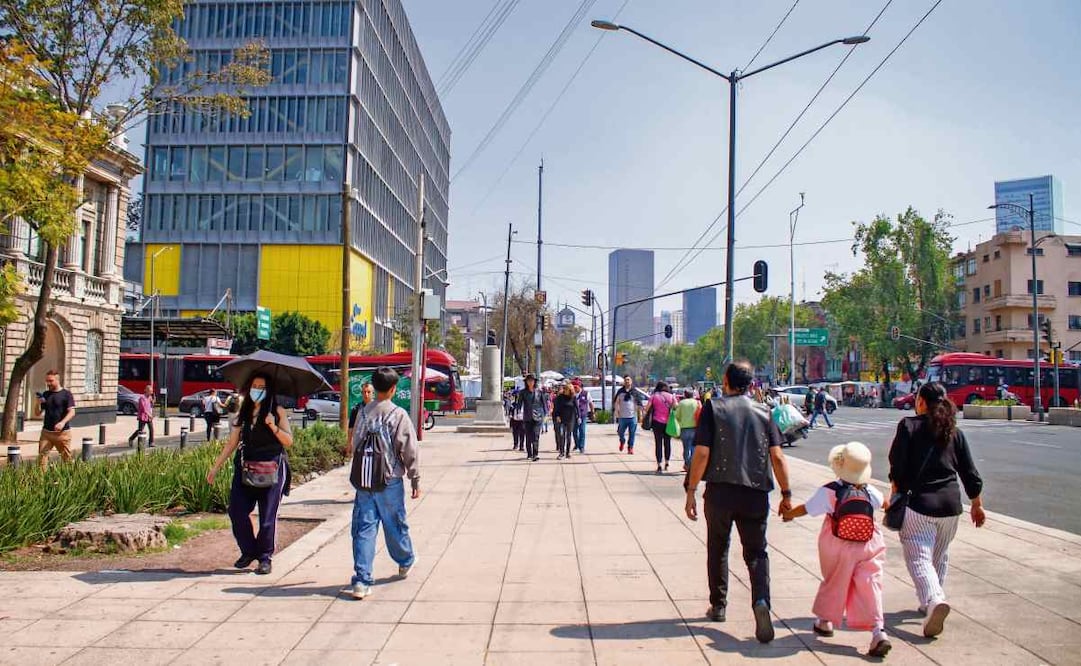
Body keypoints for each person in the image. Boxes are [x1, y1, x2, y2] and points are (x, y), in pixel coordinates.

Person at [684, 360, 793, 644]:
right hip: (755, 492)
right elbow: (778, 457)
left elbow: (702, 453)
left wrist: (691, 489)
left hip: (720, 492)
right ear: (750, 383)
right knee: (757, 552)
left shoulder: (713, 408)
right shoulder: (765, 411)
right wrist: (786, 494)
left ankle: (718, 606)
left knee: (718, 547)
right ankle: (761, 601)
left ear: (726, 381)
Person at [888, 381, 985, 638]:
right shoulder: (954, 431)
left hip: (920, 504)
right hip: (952, 506)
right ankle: (929, 604)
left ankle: (934, 600)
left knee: (919, 558)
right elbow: (969, 473)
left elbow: (897, 466)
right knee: (938, 556)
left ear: (921, 402)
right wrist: (976, 504)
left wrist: (894, 492)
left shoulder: (908, 426)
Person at [783, 442, 891, 658]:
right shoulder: (870, 491)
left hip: (837, 543)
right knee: (871, 583)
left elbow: (806, 509)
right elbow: (885, 504)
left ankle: (825, 621)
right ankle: (878, 631)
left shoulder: (831, 490)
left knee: (835, 580)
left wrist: (788, 514)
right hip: (869, 542)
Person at [342, 367, 421, 599]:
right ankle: (405, 559)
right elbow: (409, 449)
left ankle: (362, 580)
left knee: (364, 529)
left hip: (365, 482)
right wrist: (415, 478)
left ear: (374, 388)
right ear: (394, 389)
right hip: (390, 480)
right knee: (395, 524)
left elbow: (355, 444)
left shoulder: (363, 413)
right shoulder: (398, 415)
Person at [206, 373, 294, 575]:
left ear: (268, 390)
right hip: (245, 468)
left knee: (267, 517)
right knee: (236, 511)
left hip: (271, 469)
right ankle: (248, 550)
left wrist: (273, 425)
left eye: (261, 387)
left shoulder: (277, 411)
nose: (257, 390)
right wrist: (216, 467)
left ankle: (265, 557)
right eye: (254, 386)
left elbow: (289, 441)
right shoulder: (243, 413)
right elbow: (232, 442)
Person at [37, 370, 75, 470]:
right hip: (47, 433)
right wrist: (38, 403)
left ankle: (71, 478)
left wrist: (62, 423)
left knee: (67, 458)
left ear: (57, 380)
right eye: (47, 381)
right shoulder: (46, 394)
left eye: (51, 381)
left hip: (62, 434)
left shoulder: (66, 394)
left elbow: (72, 412)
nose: (48, 383)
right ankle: (41, 481)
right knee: (42, 458)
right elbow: (37, 413)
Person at [644, 381, 677, 474]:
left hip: (656, 422)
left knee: (658, 443)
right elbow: (676, 407)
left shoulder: (654, 396)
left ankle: (659, 464)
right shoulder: (671, 396)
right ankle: (667, 462)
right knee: (667, 442)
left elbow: (647, 408)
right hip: (668, 423)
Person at [513, 374, 545, 461]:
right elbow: (519, 403)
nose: (530, 382)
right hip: (527, 416)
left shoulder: (539, 391)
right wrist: (518, 412)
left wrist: (545, 415)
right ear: (526, 382)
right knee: (528, 436)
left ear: (534, 382)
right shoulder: (523, 392)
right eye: (528, 381)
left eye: (532, 381)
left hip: (538, 416)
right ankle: (529, 454)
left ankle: (535, 454)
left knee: (536, 435)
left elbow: (543, 404)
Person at [614, 377, 643, 454]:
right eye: (625, 380)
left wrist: (640, 415)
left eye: (628, 380)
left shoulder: (635, 392)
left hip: (632, 417)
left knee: (632, 433)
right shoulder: (620, 392)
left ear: (631, 381)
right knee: (620, 432)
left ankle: (630, 447)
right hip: (622, 417)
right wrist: (617, 412)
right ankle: (622, 441)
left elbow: (639, 404)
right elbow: (616, 402)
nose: (627, 381)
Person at [674, 389, 701, 472]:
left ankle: (687, 463)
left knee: (686, 448)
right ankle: (692, 464)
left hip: (684, 428)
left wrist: (681, 421)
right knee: (693, 448)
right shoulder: (697, 403)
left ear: (685, 395)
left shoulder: (682, 403)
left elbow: (677, 416)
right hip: (695, 428)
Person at [552, 384, 578, 460]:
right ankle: (561, 452)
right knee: (561, 435)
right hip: (561, 419)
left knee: (569, 436)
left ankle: (568, 453)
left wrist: (578, 416)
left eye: (569, 390)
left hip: (570, 419)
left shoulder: (573, 397)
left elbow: (576, 407)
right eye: (566, 389)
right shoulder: (560, 397)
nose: (567, 391)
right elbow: (556, 408)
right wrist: (557, 416)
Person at [572, 382, 593, 453]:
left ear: (580, 386)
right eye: (574, 387)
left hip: (583, 415)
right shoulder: (572, 394)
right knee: (574, 431)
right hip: (574, 415)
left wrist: (592, 412)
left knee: (582, 431)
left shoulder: (586, 393)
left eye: (576, 387)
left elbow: (590, 403)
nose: (575, 388)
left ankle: (581, 446)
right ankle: (577, 444)